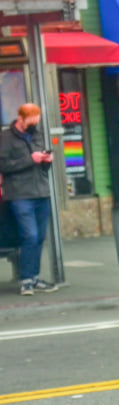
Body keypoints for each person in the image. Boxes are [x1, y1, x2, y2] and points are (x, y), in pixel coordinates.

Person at [0, 100, 54, 294]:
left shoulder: (36, 134)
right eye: (31, 121)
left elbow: (42, 166)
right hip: (19, 194)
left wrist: (46, 161)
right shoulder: (6, 137)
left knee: (39, 237)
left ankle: (35, 276)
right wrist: (30, 160)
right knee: (29, 235)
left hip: (40, 190)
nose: (34, 125)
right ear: (20, 119)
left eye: (36, 121)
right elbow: (4, 165)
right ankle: (26, 280)